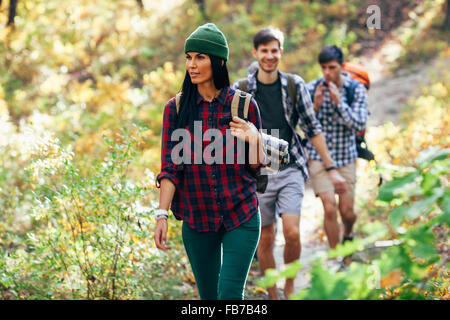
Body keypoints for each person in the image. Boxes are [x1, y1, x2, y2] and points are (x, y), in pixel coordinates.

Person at [153, 23, 267, 300]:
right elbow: (170, 169)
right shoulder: (176, 109)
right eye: (188, 57)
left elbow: (256, 168)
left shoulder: (243, 105)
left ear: (219, 61)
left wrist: (255, 139)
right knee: (208, 298)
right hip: (197, 217)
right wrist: (161, 215)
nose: (192, 65)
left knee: (229, 294)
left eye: (200, 57)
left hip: (240, 212)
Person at [233, 27, 347, 300]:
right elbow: (232, 131)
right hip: (257, 173)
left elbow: (313, 128)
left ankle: (291, 285)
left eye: (275, 50)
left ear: (281, 52)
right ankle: (273, 294)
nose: (270, 56)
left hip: (290, 167)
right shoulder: (242, 89)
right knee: (266, 237)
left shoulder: (295, 85)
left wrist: (331, 169)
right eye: (264, 51)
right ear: (255, 53)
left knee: (293, 233)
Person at [306, 45, 369, 253]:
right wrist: (314, 107)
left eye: (331, 67)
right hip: (318, 158)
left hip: (346, 157)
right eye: (323, 67)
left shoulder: (355, 89)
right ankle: (336, 259)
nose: (326, 73)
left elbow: (359, 124)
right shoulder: (313, 88)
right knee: (330, 208)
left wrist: (339, 103)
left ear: (342, 67)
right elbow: (301, 126)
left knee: (347, 212)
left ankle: (348, 234)